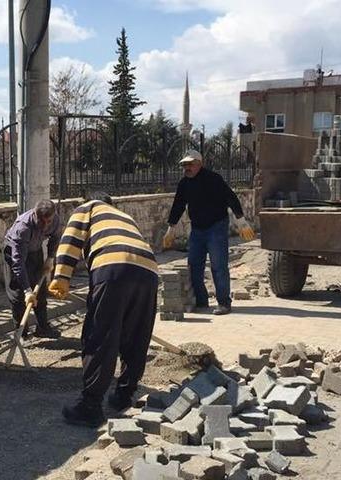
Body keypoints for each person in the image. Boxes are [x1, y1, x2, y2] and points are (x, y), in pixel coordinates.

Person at [48, 192, 158, 428]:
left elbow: (70, 240)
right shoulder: (125, 217)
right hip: (148, 271)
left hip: (113, 268)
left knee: (101, 335)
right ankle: (124, 395)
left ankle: (90, 407)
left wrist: (62, 276)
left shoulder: (88, 208)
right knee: (136, 336)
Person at [162, 150, 255, 316]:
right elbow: (178, 206)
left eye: (190, 164)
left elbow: (231, 198)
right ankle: (201, 301)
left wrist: (241, 221)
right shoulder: (184, 184)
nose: (186, 168)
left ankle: (224, 303)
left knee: (218, 265)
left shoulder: (213, 179)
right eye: (184, 165)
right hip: (197, 229)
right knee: (194, 266)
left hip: (216, 227)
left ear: (199, 164)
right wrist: (171, 229)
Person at [2, 199, 62, 338]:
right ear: (35, 214)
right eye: (42, 221)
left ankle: (42, 328)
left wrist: (50, 258)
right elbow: (18, 263)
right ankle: (21, 332)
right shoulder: (22, 228)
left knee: (40, 289)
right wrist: (27, 290)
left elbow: (55, 237)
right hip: (14, 253)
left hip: (35, 250)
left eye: (48, 221)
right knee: (18, 294)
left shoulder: (55, 220)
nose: (45, 225)